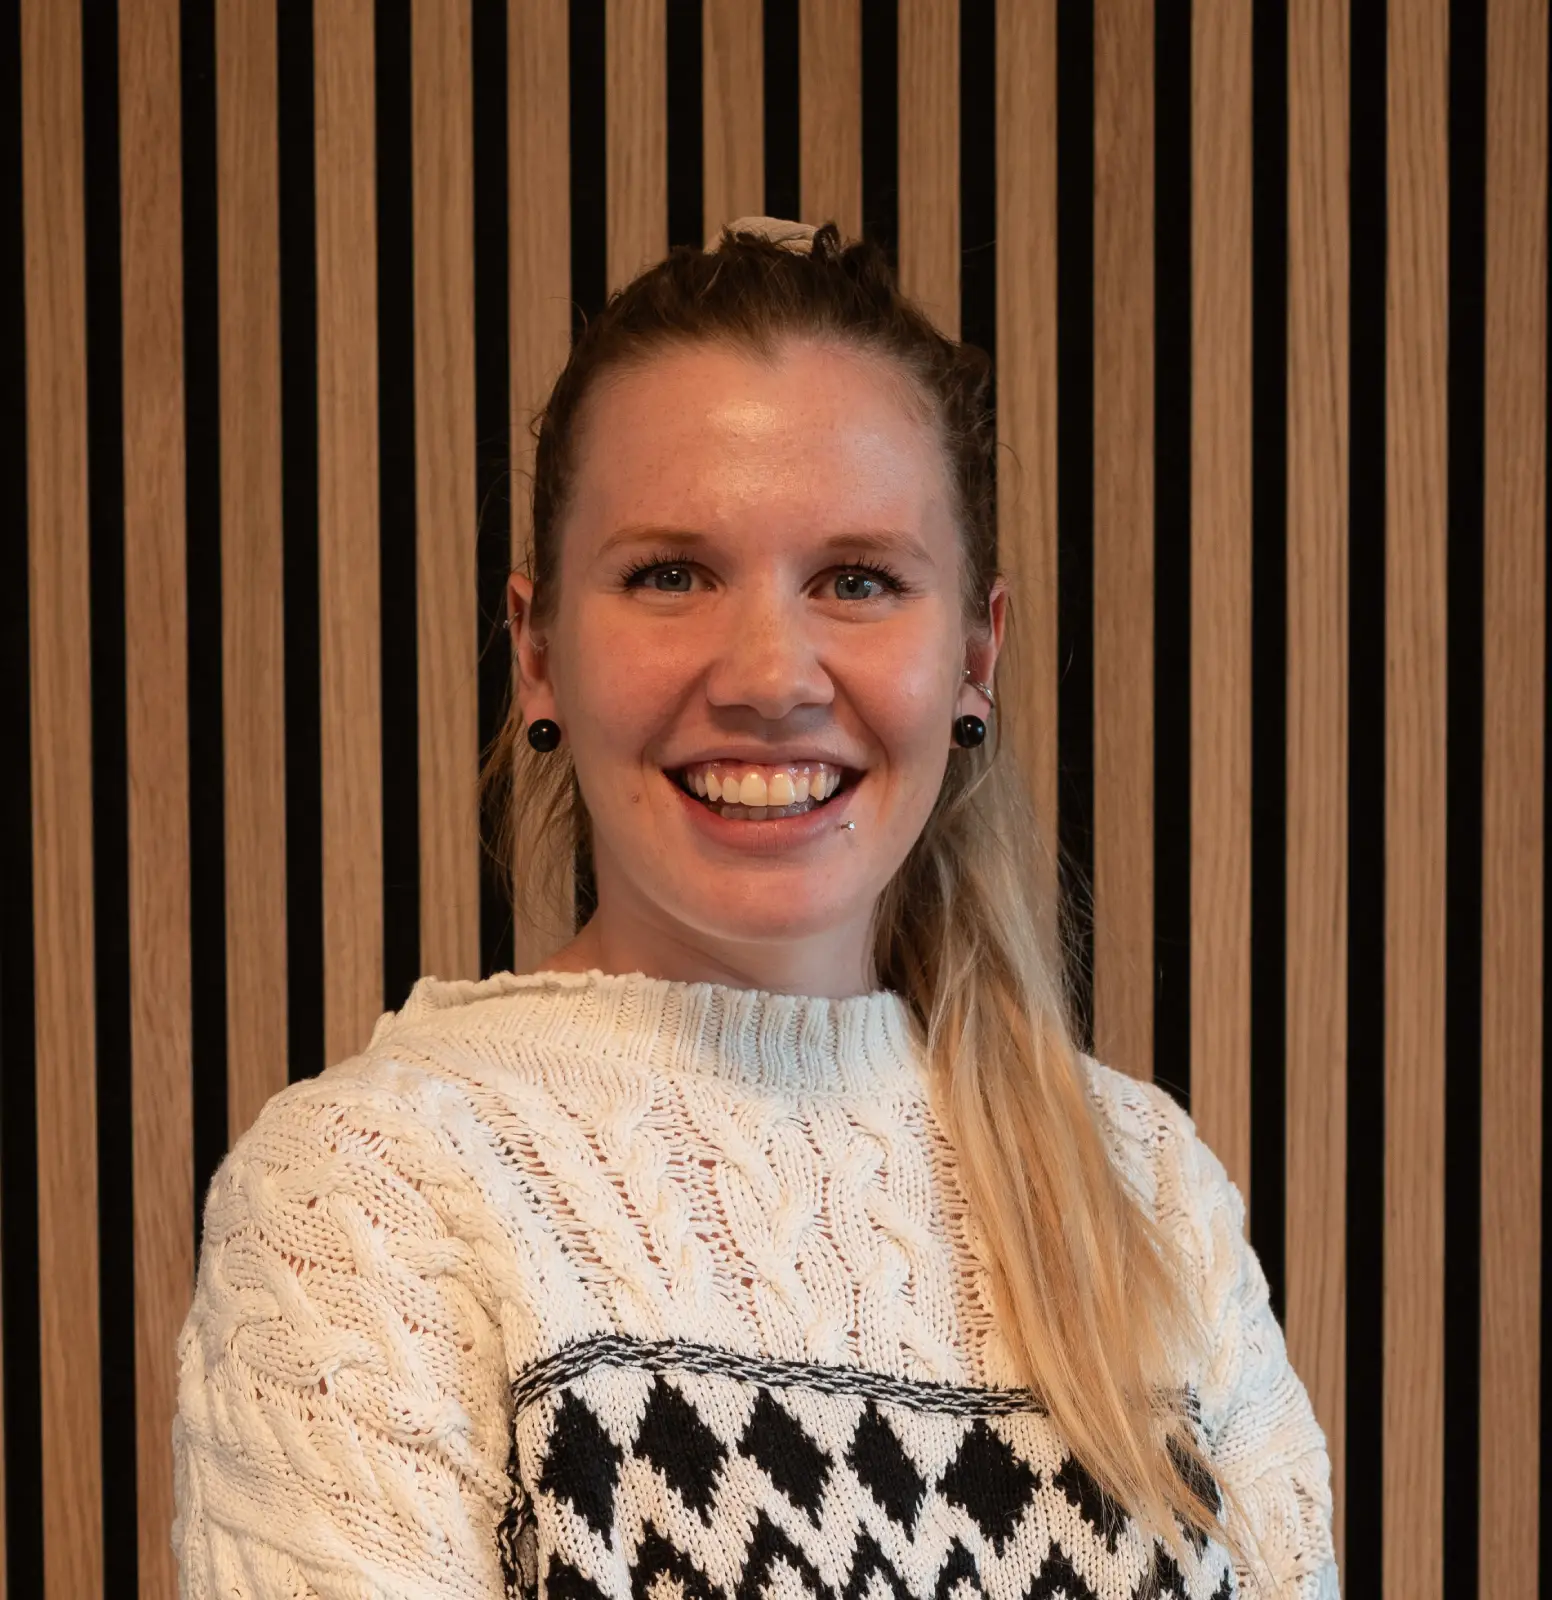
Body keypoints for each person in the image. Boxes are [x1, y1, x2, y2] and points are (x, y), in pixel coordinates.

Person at [173, 220, 1338, 1600]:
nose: (771, 675)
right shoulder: (369, 1193)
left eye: (858, 581)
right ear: (537, 648)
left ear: (977, 652)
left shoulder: (1150, 1191)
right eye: (671, 575)